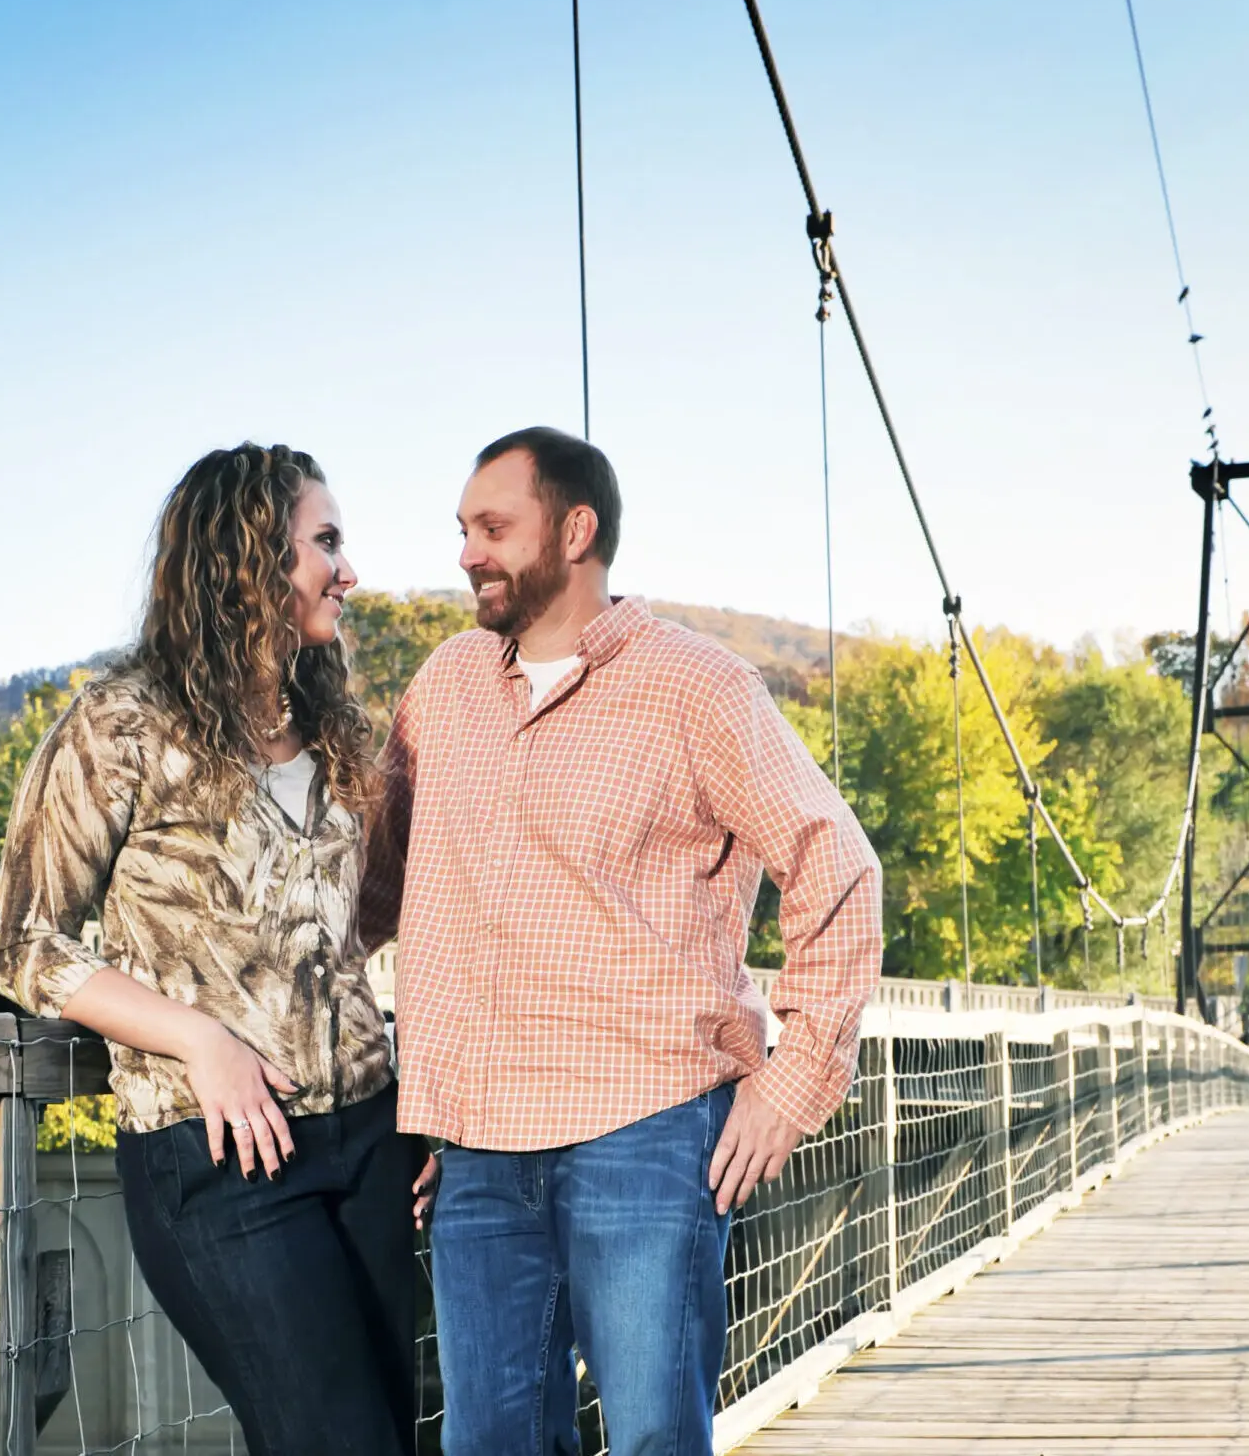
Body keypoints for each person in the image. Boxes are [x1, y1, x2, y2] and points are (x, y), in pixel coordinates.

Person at [362, 427, 883, 1455]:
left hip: (643, 1130)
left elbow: (835, 863)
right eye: (461, 529)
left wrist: (791, 1082)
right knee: (488, 1444)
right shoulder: (443, 688)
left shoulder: (698, 687)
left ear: (576, 529)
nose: (467, 551)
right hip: (472, 1149)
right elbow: (372, 891)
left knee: (650, 1437)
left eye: (492, 527)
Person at [0, 443, 435, 1456]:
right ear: (247, 558)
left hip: (371, 1142)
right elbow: (24, 945)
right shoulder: (118, 726)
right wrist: (201, 1039)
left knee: (387, 1441)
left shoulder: (334, 734)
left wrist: (417, 1101)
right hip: (216, 1153)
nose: (348, 570)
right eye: (324, 542)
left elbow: (351, 937)